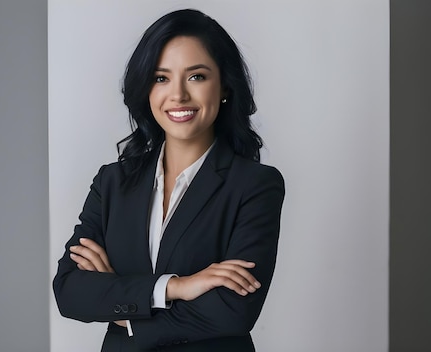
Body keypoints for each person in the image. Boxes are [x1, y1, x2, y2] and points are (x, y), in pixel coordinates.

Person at [53, 9, 285, 352]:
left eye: (196, 77)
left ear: (224, 86)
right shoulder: (113, 183)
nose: (178, 95)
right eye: (161, 77)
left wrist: (123, 307)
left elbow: (233, 311)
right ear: (146, 88)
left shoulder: (255, 185)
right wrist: (174, 287)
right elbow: (70, 291)